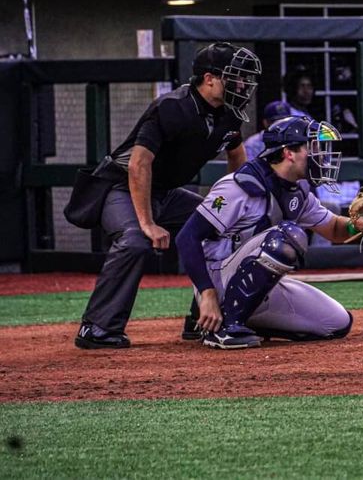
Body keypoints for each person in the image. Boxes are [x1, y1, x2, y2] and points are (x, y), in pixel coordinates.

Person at [74, 43, 260, 349]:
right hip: (120, 186)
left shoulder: (230, 114)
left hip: (166, 192)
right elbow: (138, 164)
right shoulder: (173, 106)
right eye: (235, 77)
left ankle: (205, 315)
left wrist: (229, 205)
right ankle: (97, 328)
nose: (242, 85)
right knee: (134, 239)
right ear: (210, 78)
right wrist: (147, 223)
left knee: (223, 227)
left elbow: (236, 157)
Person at [175, 116, 363, 349]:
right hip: (217, 280)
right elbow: (187, 237)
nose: (320, 155)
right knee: (287, 235)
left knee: (336, 323)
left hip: (257, 287)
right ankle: (225, 328)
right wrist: (207, 295)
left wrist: (357, 224)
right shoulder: (239, 186)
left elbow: (335, 230)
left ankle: (242, 319)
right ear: (289, 152)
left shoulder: (298, 191)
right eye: (312, 147)